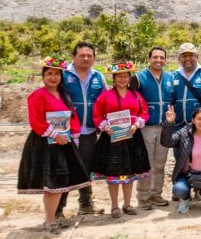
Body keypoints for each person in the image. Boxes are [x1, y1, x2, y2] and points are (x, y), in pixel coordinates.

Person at [17, 57, 92, 234]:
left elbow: (72, 117)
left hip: (64, 142)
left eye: (57, 74)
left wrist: (74, 135)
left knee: (60, 181)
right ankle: (50, 220)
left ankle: (54, 217)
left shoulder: (64, 95)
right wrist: (55, 135)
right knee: (52, 183)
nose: (53, 77)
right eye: (49, 74)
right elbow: (36, 121)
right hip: (45, 143)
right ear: (43, 76)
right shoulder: (37, 96)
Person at [89, 62, 151, 218]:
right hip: (112, 139)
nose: (122, 79)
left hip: (131, 137)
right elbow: (97, 115)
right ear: (114, 79)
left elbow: (144, 113)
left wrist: (137, 124)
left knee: (128, 172)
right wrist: (105, 127)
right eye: (119, 77)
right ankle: (115, 205)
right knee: (114, 172)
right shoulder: (105, 96)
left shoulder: (136, 96)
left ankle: (127, 204)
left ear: (129, 78)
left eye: (125, 76)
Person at [59, 42, 107, 216]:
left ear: (94, 58)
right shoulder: (63, 75)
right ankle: (58, 209)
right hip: (67, 131)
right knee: (65, 168)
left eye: (89, 55)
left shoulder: (98, 77)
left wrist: (103, 122)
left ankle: (85, 203)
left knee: (86, 167)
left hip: (89, 131)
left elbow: (104, 102)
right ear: (73, 57)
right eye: (82, 55)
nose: (86, 58)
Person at [129, 47, 174, 210]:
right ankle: (143, 197)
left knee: (160, 163)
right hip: (146, 127)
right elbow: (130, 100)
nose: (158, 60)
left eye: (162, 57)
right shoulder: (139, 78)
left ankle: (156, 193)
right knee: (146, 163)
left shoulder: (169, 77)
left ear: (165, 60)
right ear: (149, 59)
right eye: (155, 57)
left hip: (164, 126)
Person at [161, 107, 201, 213]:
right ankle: (185, 199)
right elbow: (167, 142)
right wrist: (169, 123)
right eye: (199, 119)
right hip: (187, 175)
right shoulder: (184, 132)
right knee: (178, 190)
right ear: (193, 120)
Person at [170, 43, 201, 127]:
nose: (187, 58)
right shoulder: (173, 75)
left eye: (191, 55)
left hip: (199, 125)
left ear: (197, 57)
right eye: (184, 56)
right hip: (178, 124)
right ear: (179, 58)